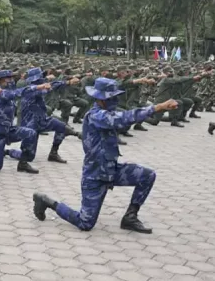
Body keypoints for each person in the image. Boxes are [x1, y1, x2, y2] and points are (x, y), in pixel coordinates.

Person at [32, 78, 178, 234]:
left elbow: (124, 117)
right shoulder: (95, 116)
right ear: (101, 99)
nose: (115, 100)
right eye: (111, 97)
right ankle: (47, 202)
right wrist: (158, 107)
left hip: (112, 171)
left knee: (147, 176)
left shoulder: (107, 112)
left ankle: (130, 217)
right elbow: (122, 119)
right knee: (85, 223)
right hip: (95, 177)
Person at [0, 70, 44, 172]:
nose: (11, 81)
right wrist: (38, 87)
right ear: (1, 81)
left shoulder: (9, 93)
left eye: (12, 78)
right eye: (9, 78)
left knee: (31, 133)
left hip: (8, 130)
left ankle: (23, 163)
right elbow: (18, 92)